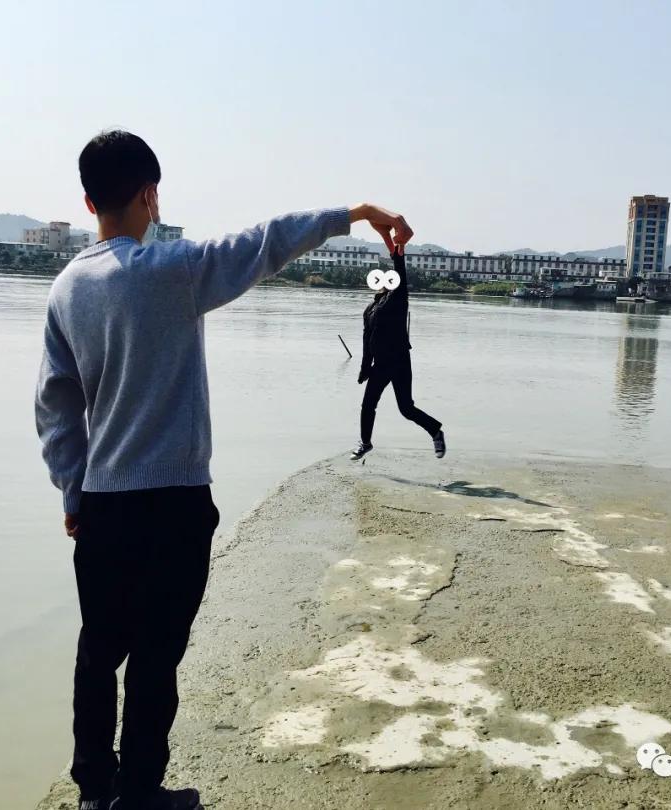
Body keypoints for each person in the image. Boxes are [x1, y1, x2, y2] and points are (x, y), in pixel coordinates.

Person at [35, 129, 413, 810]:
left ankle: (95, 791)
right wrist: (356, 215)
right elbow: (268, 240)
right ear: (150, 195)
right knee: (155, 659)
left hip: (103, 505)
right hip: (174, 503)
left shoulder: (65, 289)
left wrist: (73, 491)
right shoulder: (174, 271)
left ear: (88, 199)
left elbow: (56, 410)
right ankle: (140, 794)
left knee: (99, 652)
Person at [351, 249, 446, 461]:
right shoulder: (369, 309)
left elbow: (401, 276)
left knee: (406, 408)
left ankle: (435, 432)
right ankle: (365, 443)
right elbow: (367, 340)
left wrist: (398, 255)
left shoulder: (398, 300)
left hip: (400, 361)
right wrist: (365, 368)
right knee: (368, 405)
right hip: (380, 365)